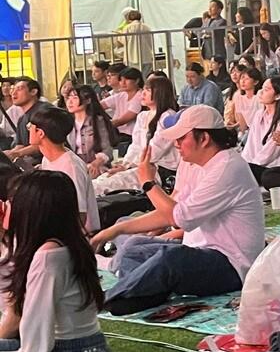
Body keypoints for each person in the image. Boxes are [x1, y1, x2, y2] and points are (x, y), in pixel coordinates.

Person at [92, 106, 266, 315]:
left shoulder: (227, 167)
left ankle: (106, 299)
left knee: (172, 257)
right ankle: (142, 295)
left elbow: (181, 219)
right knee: (133, 248)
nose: (176, 145)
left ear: (204, 138)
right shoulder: (191, 164)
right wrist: (116, 230)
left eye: (182, 138)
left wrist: (147, 183)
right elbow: (170, 212)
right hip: (198, 251)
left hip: (231, 264)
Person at [0, 173, 116, 352]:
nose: (5, 206)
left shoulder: (49, 256)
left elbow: (34, 347)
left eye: (11, 202)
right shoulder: (60, 244)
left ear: (30, 209)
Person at [27, 107, 101, 233]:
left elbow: (80, 214)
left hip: (80, 236)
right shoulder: (47, 158)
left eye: (30, 126)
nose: (28, 129)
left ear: (40, 133)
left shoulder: (71, 166)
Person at [64, 84, 117, 168]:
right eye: (68, 98)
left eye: (75, 98)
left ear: (88, 100)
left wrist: (97, 162)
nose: (70, 102)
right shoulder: (67, 122)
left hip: (96, 166)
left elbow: (107, 150)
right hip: (76, 166)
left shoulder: (98, 121)